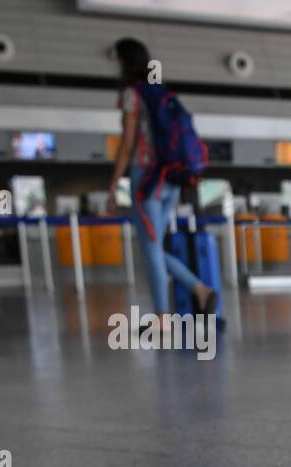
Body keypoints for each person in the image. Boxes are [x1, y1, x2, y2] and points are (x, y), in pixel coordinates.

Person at [106, 38, 216, 320]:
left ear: (122, 61)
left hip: (147, 179)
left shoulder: (133, 94)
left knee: (151, 250)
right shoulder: (159, 91)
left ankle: (163, 319)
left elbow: (127, 144)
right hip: (171, 180)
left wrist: (115, 181)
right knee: (153, 247)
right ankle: (199, 290)